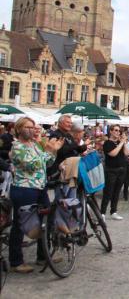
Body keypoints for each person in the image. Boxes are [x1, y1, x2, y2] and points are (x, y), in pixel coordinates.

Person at [9, 117, 64, 273]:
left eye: (33, 127)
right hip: (24, 188)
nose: (32, 130)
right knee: (20, 225)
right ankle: (16, 261)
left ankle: (43, 255)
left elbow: (47, 163)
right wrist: (49, 151)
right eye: (28, 127)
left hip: (40, 188)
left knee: (46, 222)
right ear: (19, 129)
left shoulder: (34, 145)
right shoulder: (17, 147)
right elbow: (32, 164)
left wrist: (53, 152)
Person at [100, 124, 129, 220]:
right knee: (108, 191)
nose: (118, 132)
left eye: (119, 131)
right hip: (111, 170)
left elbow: (126, 153)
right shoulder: (107, 143)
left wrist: (123, 143)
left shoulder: (120, 143)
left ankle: (113, 211)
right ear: (111, 131)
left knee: (117, 191)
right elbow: (113, 154)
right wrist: (121, 143)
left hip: (121, 169)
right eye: (116, 130)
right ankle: (102, 212)